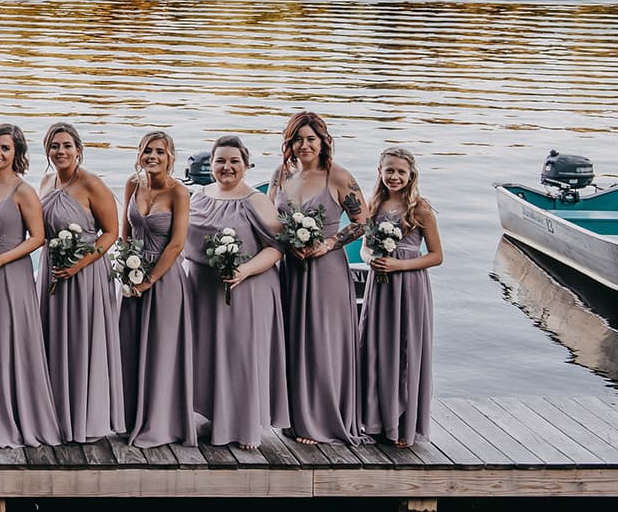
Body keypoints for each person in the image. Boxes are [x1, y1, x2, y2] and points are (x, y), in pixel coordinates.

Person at [184, 134, 287, 450]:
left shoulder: (257, 200)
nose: (226, 167)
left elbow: (277, 248)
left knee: (240, 355)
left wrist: (244, 270)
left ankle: (244, 426)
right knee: (207, 353)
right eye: (220, 161)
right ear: (211, 164)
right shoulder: (199, 195)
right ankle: (210, 417)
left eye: (234, 161)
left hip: (247, 288)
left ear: (246, 164)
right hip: (202, 291)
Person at [272, 111, 368, 446]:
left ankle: (323, 420)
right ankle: (296, 417)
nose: (304, 145)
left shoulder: (338, 176)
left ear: (323, 141)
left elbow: (362, 222)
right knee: (293, 339)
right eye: (297, 139)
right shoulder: (281, 174)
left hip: (325, 270)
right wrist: (286, 243)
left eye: (310, 138)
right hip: (291, 269)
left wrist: (327, 243)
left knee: (321, 342)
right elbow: (272, 219)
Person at [0, 124, 59, 448]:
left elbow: (39, 238)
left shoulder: (23, 191)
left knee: (9, 341)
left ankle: (13, 415)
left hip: (11, 276)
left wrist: (1, 260)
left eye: (5, 148)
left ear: (16, 153)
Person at [36, 121, 124, 443]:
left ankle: (85, 417)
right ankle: (55, 414)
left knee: (81, 341)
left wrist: (80, 263)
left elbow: (111, 232)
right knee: (52, 338)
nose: (60, 151)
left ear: (78, 150)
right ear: (47, 151)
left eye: (66, 146)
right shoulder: (45, 181)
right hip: (51, 272)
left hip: (84, 274)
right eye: (54, 146)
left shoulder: (91, 184)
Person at [359, 146, 442, 447]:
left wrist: (399, 264)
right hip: (379, 286)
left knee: (406, 351)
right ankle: (374, 421)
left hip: (408, 286)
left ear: (411, 175)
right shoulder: (373, 205)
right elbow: (365, 246)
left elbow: (436, 256)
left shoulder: (420, 209)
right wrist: (369, 259)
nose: (394, 176)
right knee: (376, 348)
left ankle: (403, 425)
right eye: (389, 170)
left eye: (401, 172)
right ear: (380, 172)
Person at [119, 130, 197, 448]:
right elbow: (125, 234)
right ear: (139, 154)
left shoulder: (179, 193)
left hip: (164, 280)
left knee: (162, 351)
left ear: (171, 158)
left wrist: (149, 279)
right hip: (132, 276)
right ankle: (127, 418)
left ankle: (160, 423)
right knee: (130, 346)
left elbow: (177, 244)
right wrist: (127, 271)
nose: (153, 156)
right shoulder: (131, 185)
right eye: (148, 151)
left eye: (160, 152)